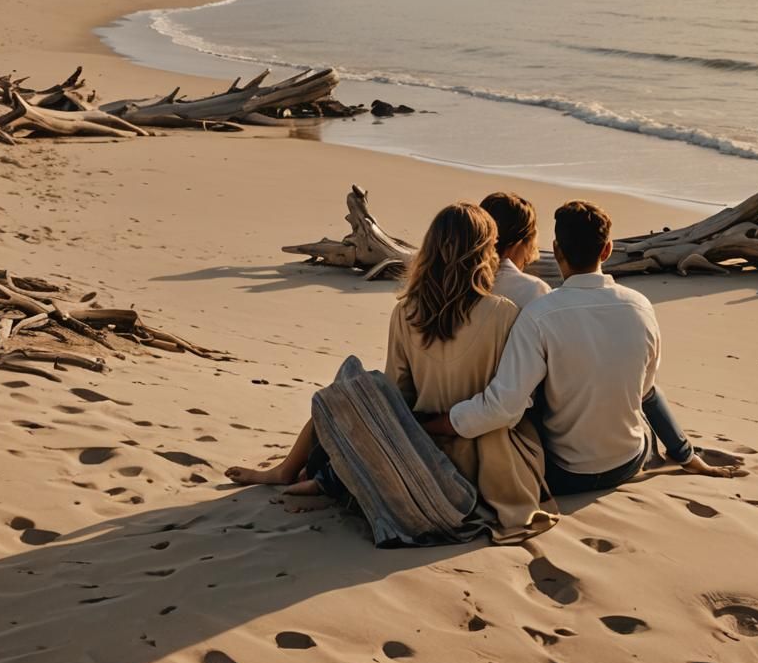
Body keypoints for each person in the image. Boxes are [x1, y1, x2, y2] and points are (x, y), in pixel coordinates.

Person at [227, 203, 556, 539]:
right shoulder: (504, 314)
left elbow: (398, 395)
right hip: (489, 465)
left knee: (355, 389)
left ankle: (316, 475)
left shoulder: (406, 312)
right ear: (486, 251)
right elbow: (508, 402)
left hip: (425, 453)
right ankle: (323, 477)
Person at [427, 199, 744, 494]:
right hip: (627, 463)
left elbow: (502, 407)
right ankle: (682, 455)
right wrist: (687, 456)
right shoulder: (641, 307)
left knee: (534, 395)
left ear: (556, 249)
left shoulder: (539, 316)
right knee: (635, 395)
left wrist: (438, 423)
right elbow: (647, 393)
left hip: (563, 475)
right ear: (607, 250)